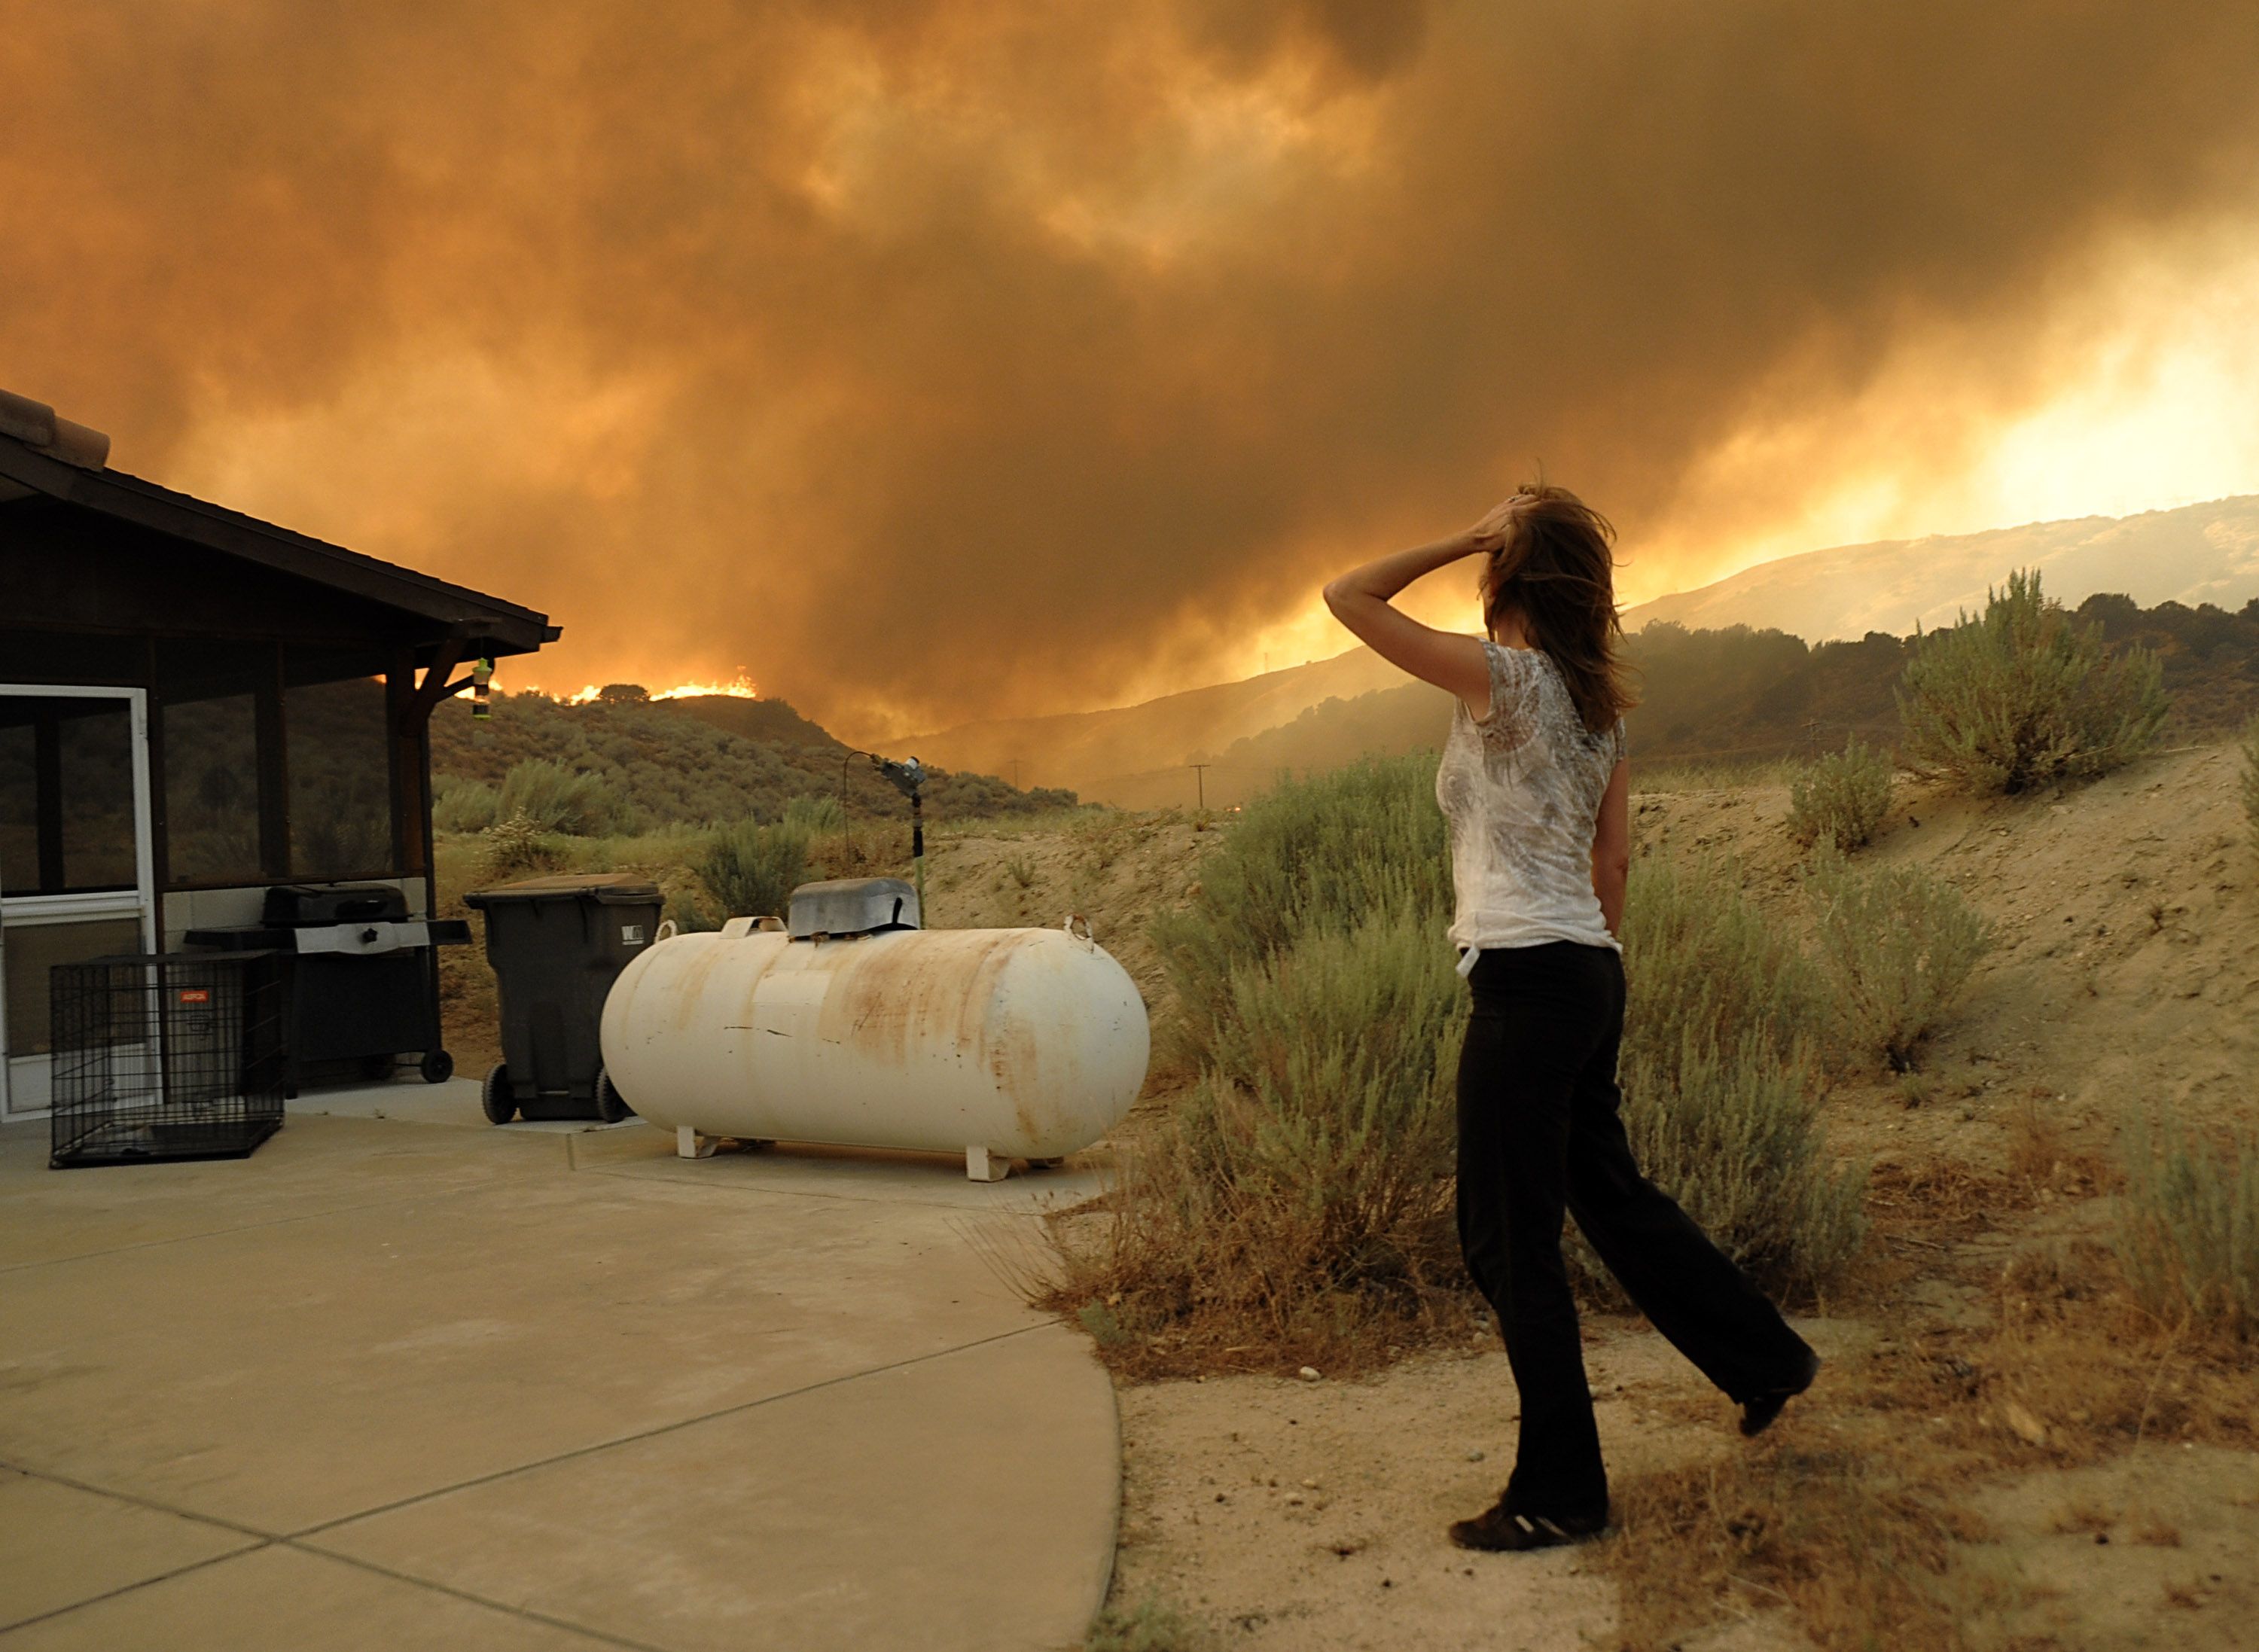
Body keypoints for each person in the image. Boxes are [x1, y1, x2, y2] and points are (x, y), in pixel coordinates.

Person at [1321, 484, 1821, 1553]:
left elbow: (1348, 595)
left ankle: (1562, 1490)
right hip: (1591, 970)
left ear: (1507, 577)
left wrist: (1458, 530)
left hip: (1528, 977)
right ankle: (1765, 1357)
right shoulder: (1600, 706)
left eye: (1492, 561)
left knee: (1509, 1242)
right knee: (1610, 1194)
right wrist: (1597, 959)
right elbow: (1616, 859)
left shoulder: (1504, 679)